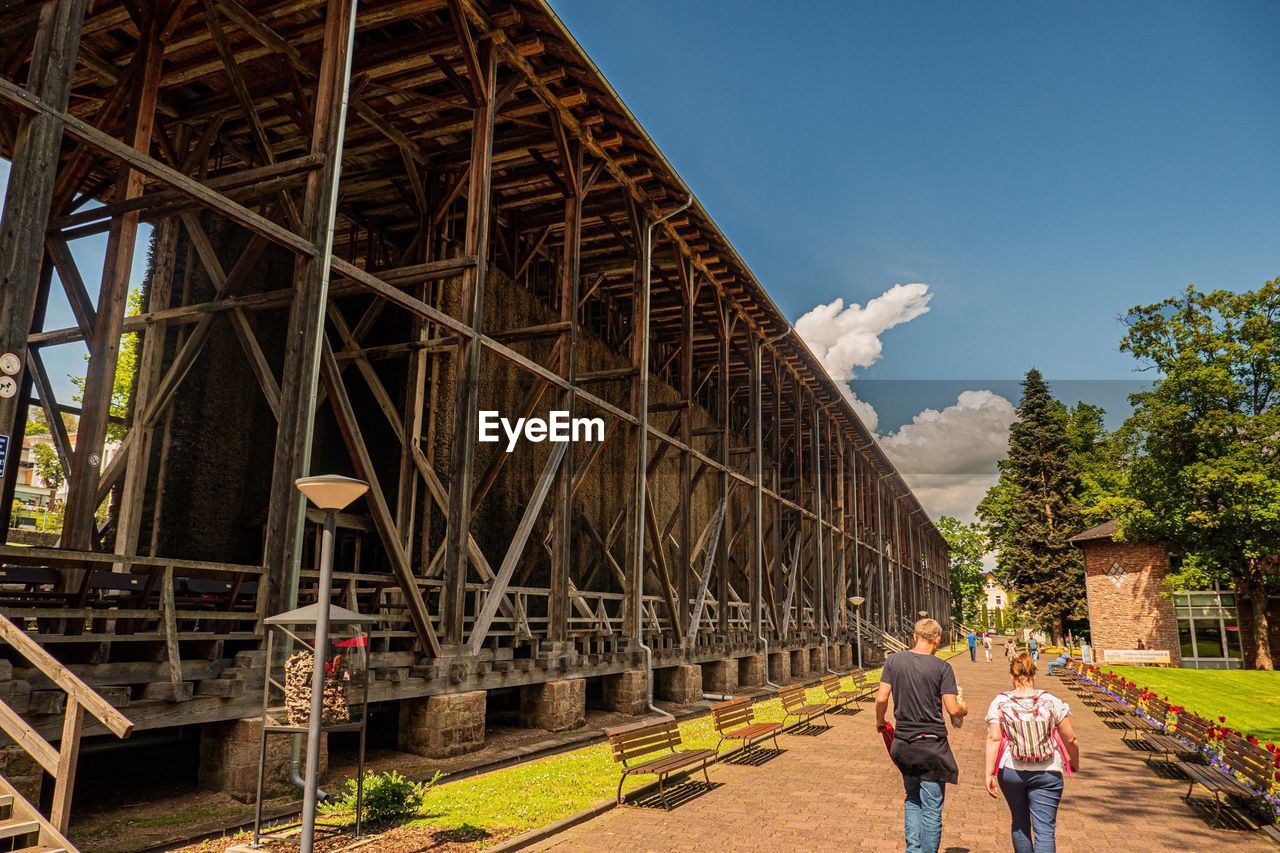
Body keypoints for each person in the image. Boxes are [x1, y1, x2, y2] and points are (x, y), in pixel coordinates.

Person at [876, 618, 968, 853]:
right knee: (931, 808)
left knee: (912, 799)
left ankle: (913, 850)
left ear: (915, 636)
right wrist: (963, 708)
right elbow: (952, 708)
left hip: (903, 743)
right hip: (931, 746)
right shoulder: (942, 667)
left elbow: (881, 698)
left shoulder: (893, 661)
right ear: (937, 639)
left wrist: (880, 721)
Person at [985, 653, 1081, 853]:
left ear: (1012, 677)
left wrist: (989, 773)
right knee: (1045, 830)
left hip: (1012, 770)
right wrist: (1074, 761)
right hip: (1047, 770)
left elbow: (994, 737)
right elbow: (1070, 738)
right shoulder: (1050, 700)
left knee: (1019, 824)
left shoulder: (1001, 702)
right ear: (1034, 676)